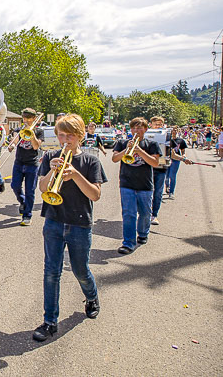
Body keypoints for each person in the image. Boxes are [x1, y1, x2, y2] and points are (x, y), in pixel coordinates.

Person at [33, 114, 107, 342]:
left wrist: (75, 175)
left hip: (79, 223)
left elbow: (95, 194)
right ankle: (50, 322)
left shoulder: (90, 161)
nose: (65, 140)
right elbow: (43, 188)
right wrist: (50, 172)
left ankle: (91, 296)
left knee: (80, 270)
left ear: (80, 136)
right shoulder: (50, 157)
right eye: (61, 135)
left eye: (70, 135)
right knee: (51, 272)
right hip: (54, 221)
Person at [112, 117, 161, 254]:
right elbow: (115, 159)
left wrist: (139, 151)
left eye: (140, 128)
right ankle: (128, 243)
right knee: (129, 214)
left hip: (145, 185)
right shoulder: (122, 143)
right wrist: (126, 150)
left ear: (145, 129)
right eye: (134, 128)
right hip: (126, 184)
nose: (136, 130)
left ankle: (143, 233)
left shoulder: (151, 144)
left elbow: (155, 163)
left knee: (145, 213)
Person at [9, 108, 44, 225]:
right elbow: (15, 141)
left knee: (30, 190)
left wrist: (31, 133)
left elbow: (35, 146)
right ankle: (23, 201)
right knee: (15, 186)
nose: (26, 120)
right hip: (19, 162)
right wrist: (12, 145)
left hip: (32, 164)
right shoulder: (19, 130)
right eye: (24, 118)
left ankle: (27, 215)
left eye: (28, 118)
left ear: (34, 118)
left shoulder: (39, 131)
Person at [164, 126, 192, 200]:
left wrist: (184, 157)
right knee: (166, 177)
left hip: (176, 160)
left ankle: (171, 192)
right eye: (173, 130)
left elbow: (183, 151)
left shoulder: (181, 140)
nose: (174, 131)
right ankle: (167, 186)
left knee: (172, 176)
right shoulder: (166, 140)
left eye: (176, 130)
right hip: (166, 159)